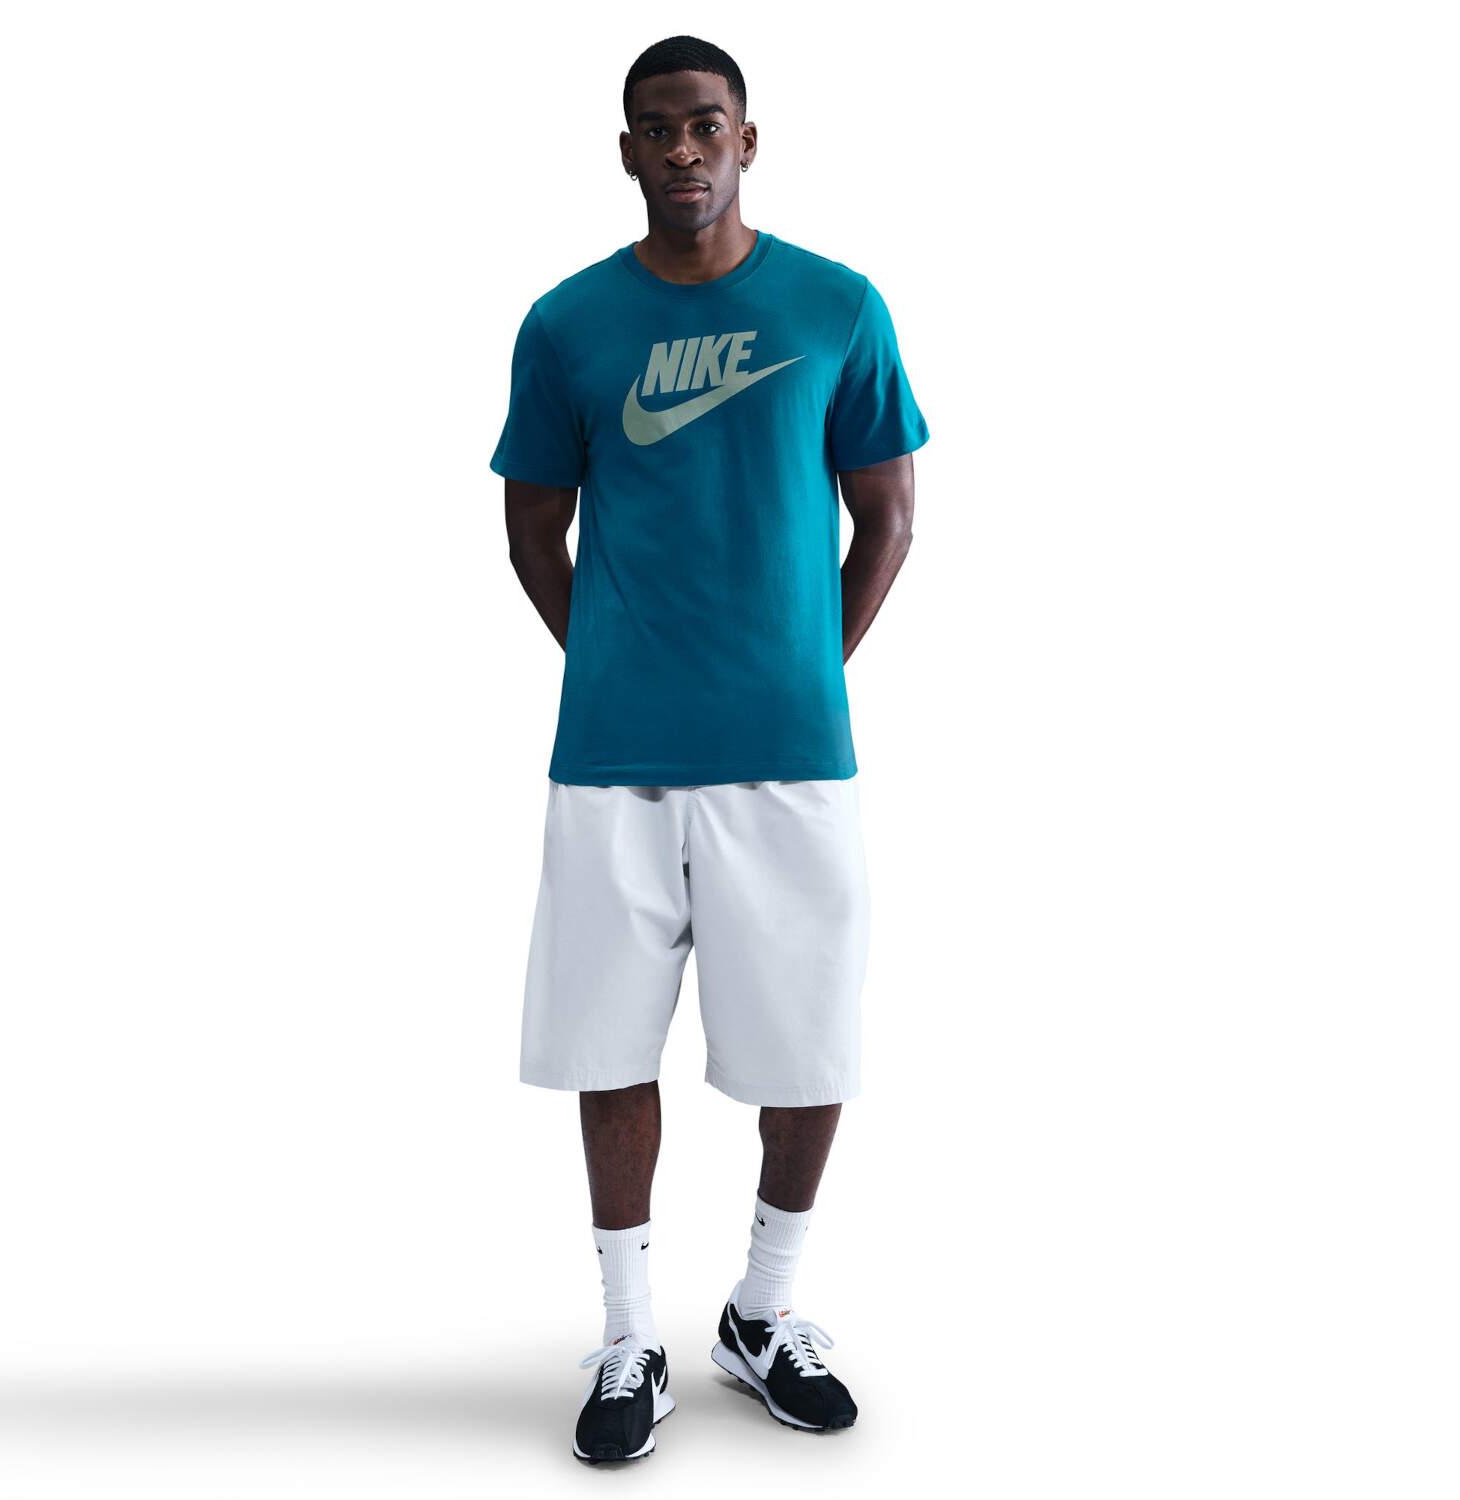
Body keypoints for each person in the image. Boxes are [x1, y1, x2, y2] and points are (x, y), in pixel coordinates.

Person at [490, 34, 929, 1464]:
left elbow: (890, 517)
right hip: (614, 757)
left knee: (808, 1044)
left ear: (747, 138)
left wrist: (800, 668)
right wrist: (619, 661)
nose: (682, 148)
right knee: (608, 1044)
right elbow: (531, 528)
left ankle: (763, 1309)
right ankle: (630, 1336)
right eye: (656, 128)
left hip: (789, 755)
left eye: (705, 123)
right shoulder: (568, 323)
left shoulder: (837, 305)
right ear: (627, 151)